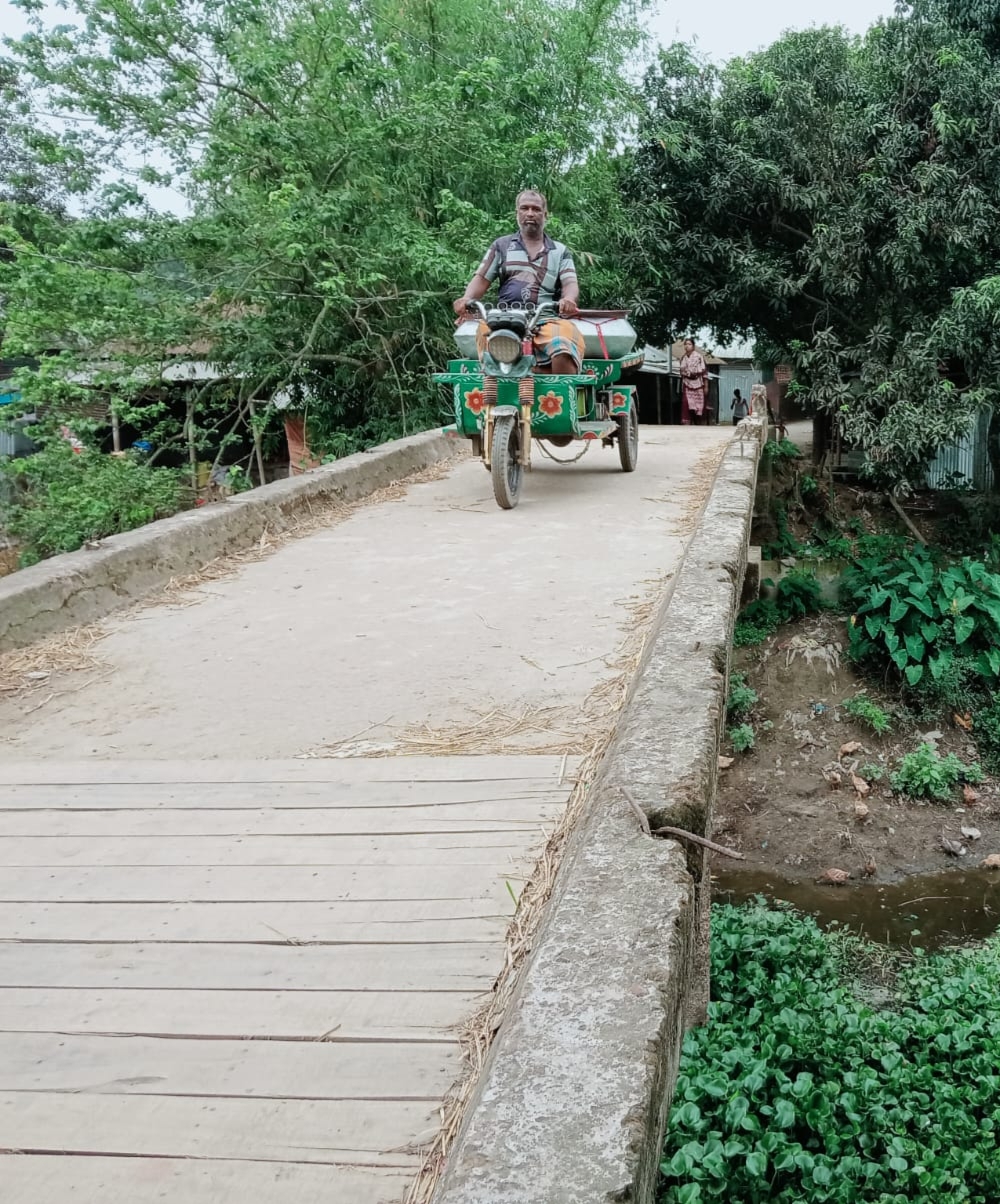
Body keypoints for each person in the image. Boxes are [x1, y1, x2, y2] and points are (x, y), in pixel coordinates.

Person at [452, 190, 585, 375]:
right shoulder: (501, 245)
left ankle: (560, 398)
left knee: (563, 345)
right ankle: (492, 391)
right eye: (525, 208)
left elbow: (570, 283)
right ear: (517, 213)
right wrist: (466, 299)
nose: (530, 213)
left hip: (545, 319)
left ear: (545, 215)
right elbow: (481, 278)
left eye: (536, 209)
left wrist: (568, 300)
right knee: (485, 334)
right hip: (503, 319)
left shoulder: (559, 251)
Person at [679, 338, 709, 424]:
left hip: (699, 384)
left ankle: (699, 424)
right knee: (686, 404)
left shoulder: (699, 357)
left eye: (689, 344)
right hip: (687, 384)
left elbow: (705, 372)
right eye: (685, 344)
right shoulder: (683, 358)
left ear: (693, 346)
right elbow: (682, 373)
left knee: (699, 407)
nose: (687, 346)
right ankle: (687, 424)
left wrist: (706, 386)